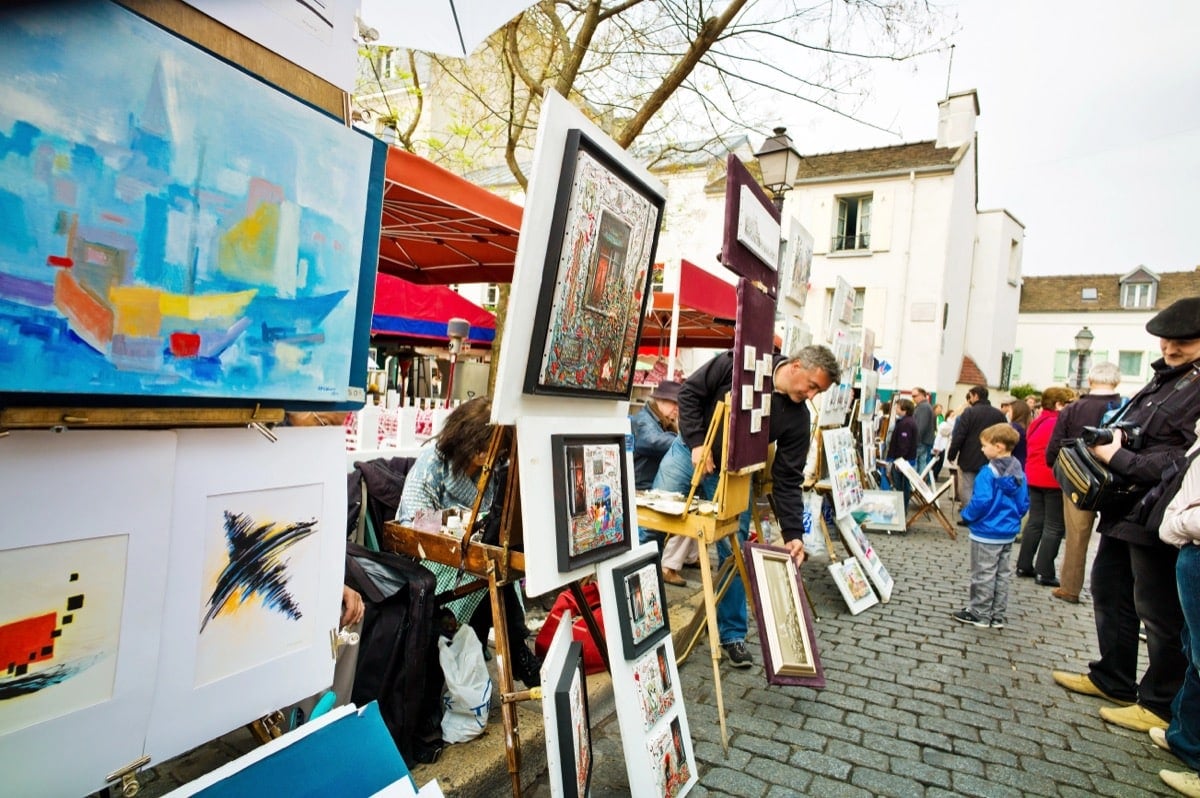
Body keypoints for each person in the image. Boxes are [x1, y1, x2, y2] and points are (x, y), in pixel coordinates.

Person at [1052, 297, 1200, 734]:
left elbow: (1185, 456)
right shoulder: (1166, 378)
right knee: (1110, 588)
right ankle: (1113, 677)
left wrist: (1120, 456)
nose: (1170, 350)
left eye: (1183, 343)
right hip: (1128, 504)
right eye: (1166, 341)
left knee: (1157, 609)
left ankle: (1157, 701)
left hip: (1159, 508)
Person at [646, 344, 839, 668]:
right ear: (795, 366)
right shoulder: (740, 364)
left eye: (818, 391)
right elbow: (691, 393)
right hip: (689, 451)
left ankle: (732, 635)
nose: (811, 395)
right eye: (813, 386)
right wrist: (696, 443)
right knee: (651, 525)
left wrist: (793, 533)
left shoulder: (797, 418)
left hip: (734, 473)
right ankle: (641, 620)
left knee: (731, 552)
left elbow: (788, 478)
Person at [397, 396, 542, 687]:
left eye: (492, 452)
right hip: (434, 558)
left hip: (474, 555)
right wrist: (459, 523)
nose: (487, 456)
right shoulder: (432, 466)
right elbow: (410, 524)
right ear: (466, 443)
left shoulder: (494, 470)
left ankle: (508, 655)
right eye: (482, 450)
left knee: (496, 571)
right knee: (489, 581)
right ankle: (517, 656)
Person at [1045, 361, 1124, 603]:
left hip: (1080, 477)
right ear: (1116, 381)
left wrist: (1056, 466)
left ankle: (1070, 587)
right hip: (1120, 473)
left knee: (1077, 535)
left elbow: (1055, 444)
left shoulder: (1075, 408)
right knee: (1117, 537)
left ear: (1090, 381)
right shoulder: (1126, 406)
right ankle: (1114, 592)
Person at [1156, 419, 1200, 797]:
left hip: (1193, 539)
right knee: (1193, 652)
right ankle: (1185, 738)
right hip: (1190, 547)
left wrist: (1181, 521)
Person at [952, 423, 1029, 628]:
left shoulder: (988, 473)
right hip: (1007, 531)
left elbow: (981, 501)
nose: (982, 449)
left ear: (999, 446)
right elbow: (1023, 503)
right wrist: (1013, 518)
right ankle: (997, 615)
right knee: (1002, 574)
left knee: (983, 573)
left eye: (985, 446)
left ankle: (980, 612)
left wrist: (968, 515)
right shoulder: (1019, 472)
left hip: (986, 531)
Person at [1014, 386, 1075, 586]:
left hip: (1033, 475)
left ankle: (1024, 564)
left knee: (1035, 522)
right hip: (1052, 477)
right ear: (1059, 404)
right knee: (1054, 525)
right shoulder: (1059, 422)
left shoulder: (1037, 421)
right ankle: (1044, 571)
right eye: (1068, 403)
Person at [948, 385, 1008, 508]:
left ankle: (970, 515)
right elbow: (1005, 436)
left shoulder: (969, 412)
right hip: (992, 457)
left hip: (968, 457)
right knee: (986, 487)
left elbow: (960, 435)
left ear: (976, 396)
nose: (969, 400)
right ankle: (984, 513)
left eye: (970, 396)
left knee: (967, 487)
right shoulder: (999, 414)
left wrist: (952, 454)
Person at [632, 380, 681, 490]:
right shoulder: (644, 420)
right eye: (674, 402)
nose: (678, 408)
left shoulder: (664, 422)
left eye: (680, 404)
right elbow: (652, 441)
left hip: (651, 484)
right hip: (641, 487)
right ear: (660, 400)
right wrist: (686, 441)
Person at [887, 397, 918, 511]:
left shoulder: (906, 423)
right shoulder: (908, 421)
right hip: (904, 460)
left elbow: (904, 444)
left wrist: (899, 460)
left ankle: (901, 512)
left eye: (898, 407)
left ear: (904, 409)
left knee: (902, 488)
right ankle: (902, 511)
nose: (896, 409)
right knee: (902, 488)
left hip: (902, 462)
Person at [912, 387, 936, 474]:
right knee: (922, 464)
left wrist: (914, 441)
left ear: (922, 395)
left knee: (918, 465)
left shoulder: (923, 407)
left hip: (921, 442)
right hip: (925, 441)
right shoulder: (927, 406)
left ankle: (915, 485)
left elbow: (920, 426)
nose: (913, 398)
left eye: (915, 396)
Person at [931, 408, 956, 482]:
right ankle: (933, 477)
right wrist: (936, 446)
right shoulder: (944, 425)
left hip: (946, 447)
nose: (953, 417)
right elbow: (939, 436)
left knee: (940, 464)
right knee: (937, 463)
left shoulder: (953, 425)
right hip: (941, 447)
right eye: (952, 415)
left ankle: (934, 476)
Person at [1007, 397, 1030, 467]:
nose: (1008, 414)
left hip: (1012, 464)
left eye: (1010, 411)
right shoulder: (1028, 428)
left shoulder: (1012, 428)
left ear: (1016, 412)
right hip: (1024, 464)